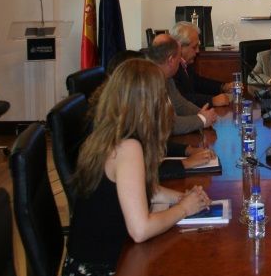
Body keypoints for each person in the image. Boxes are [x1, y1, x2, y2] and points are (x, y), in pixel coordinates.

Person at [61, 59, 211, 276]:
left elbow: (136, 190)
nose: (167, 104)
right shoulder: (128, 148)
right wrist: (184, 209)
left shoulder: (109, 132)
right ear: (147, 103)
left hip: (98, 266)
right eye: (162, 96)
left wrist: (179, 197)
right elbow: (140, 229)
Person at [88, 49, 216, 181]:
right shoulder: (118, 131)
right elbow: (141, 173)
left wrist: (188, 150)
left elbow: (152, 142)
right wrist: (186, 163)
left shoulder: (124, 113)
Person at [147, 34, 217, 135]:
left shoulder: (167, 77)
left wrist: (203, 113)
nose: (180, 61)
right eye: (179, 57)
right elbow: (167, 124)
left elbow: (180, 104)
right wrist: (202, 119)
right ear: (171, 60)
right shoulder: (147, 81)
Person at [171, 22, 233, 107]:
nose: (197, 51)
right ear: (181, 47)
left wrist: (223, 87)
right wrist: (212, 101)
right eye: (194, 47)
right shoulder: (172, 67)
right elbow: (182, 99)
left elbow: (198, 82)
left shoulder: (184, 63)